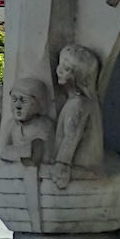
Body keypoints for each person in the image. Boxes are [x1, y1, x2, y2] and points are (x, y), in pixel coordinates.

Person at [52, 44, 104, 189]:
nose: (60, 71)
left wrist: (61, 164)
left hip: (79, 170)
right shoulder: (85, 102)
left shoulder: (78, 104)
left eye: (67, 69)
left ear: (80, 77)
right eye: (60, 65)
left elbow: (71, 137)